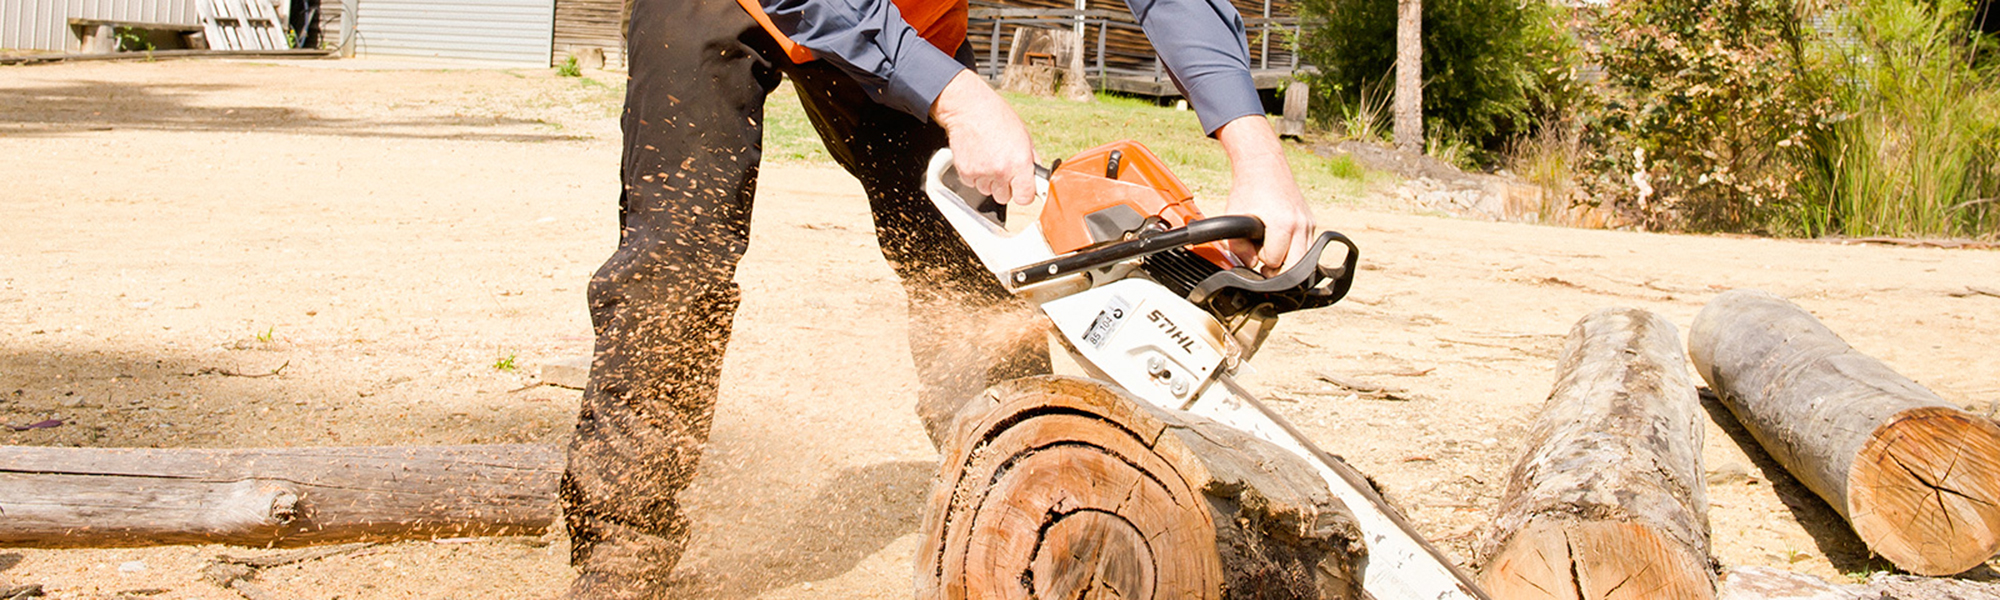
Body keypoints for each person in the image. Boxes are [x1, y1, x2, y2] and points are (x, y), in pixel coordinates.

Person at [559, 0, 1318, 594]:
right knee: (674, 256)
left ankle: (1026, 505)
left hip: (911, 17)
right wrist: (955, 96)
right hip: (723, 5)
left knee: (972, 272)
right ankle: (625, 552)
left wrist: (1255, 153)